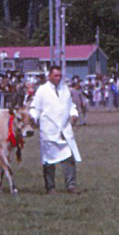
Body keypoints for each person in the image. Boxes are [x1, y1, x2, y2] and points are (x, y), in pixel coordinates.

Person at [29, 63, 82, 193]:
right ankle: (50, 187)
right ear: (49, 76)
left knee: (69, 158)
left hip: (64, 130)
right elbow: (35, 108)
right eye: (55, 75)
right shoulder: (42, 90)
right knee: (49, 161)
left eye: (60, 75)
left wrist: (74, 115)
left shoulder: (65, 90)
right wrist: (33, 119)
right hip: (49, 130)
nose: (58, 78)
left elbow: (71, 106)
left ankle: (70, 185)